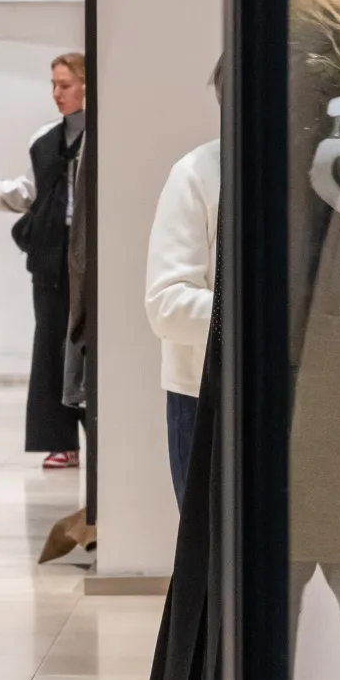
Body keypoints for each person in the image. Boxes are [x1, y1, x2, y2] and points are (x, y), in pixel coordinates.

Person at [0, 53, 87, 468]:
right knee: (51, 346)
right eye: (53, 84)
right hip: (52, 257)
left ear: (87, 86)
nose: (56, 93)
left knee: (91, 346)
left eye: (65, 85)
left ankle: (104, 436)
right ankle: (60, 440)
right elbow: (30, 191)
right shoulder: (44, 140)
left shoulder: (107, 133)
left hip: (89, 255)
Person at [143, 126, 219, 508]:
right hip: (207, 398)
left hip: (324, 395)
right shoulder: (197, 173)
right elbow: (166, 304)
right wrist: (264, 315)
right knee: (212, 562)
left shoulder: (336, 170)